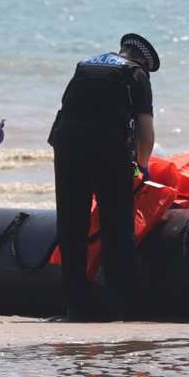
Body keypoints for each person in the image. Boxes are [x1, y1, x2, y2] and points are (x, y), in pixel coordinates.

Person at [48, 33, 159, 322]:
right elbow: (145, 131)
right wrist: (142, 166)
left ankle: (75, 306)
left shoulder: (84, 66)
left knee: (72, 227)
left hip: (67, 149)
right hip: (108, 152)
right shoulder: (134, 74)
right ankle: (117, 305)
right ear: (140, 60)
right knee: (117, 228)